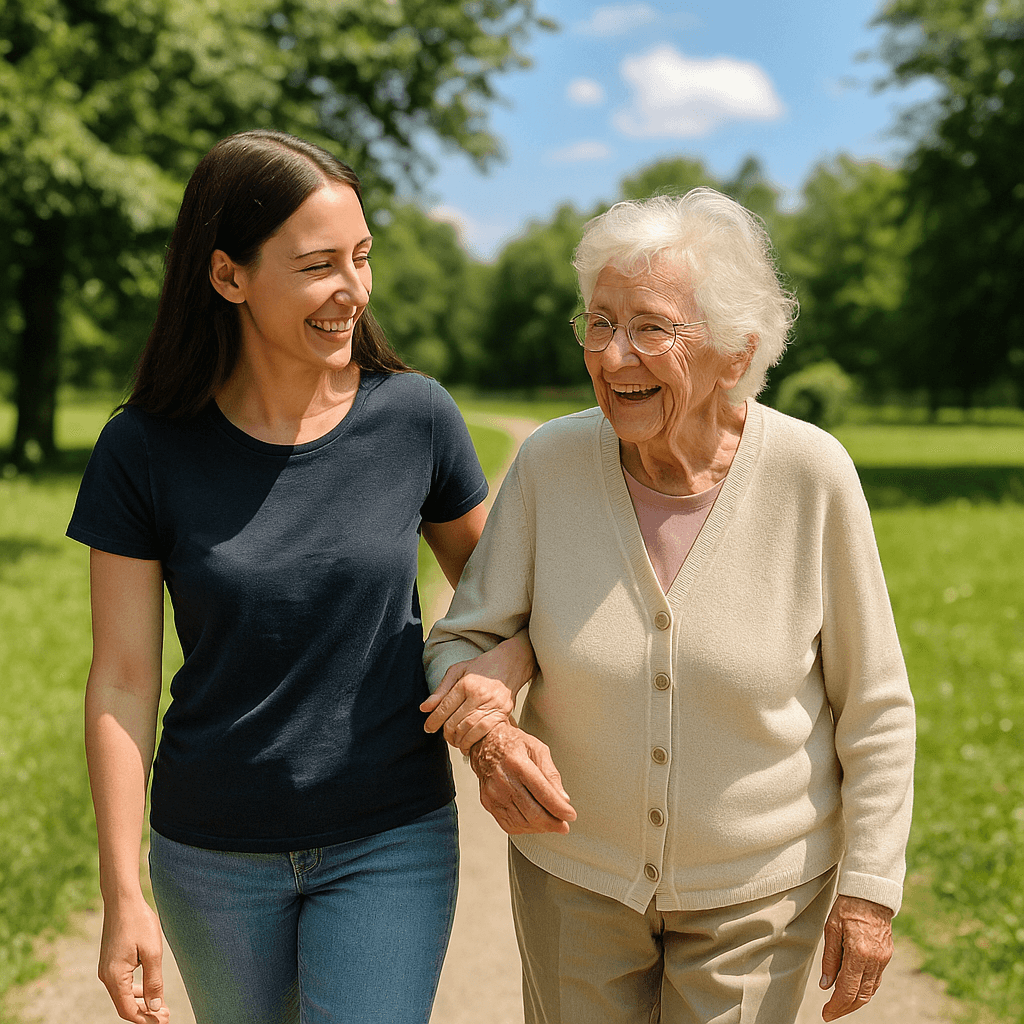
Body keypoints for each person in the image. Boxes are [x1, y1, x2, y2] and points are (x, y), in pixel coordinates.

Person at [67, 129, 532, 1024]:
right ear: (227, 275)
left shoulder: (416, 419)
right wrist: (122, 892)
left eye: (362, 257)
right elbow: (121, 678)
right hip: (209, 854)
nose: (352, 290)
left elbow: (500, 601)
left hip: (390, 834)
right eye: (318, 265)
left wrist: (497, 691)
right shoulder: (143, 450)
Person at [422, 189, 916, 1024]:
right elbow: (462, 640)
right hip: (573, 877)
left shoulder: (811, 474)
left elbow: (875, 706)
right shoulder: (550, 464)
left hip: (758, 894)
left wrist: (868, 891)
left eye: (651, 328)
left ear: (735, 349)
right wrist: (488, 728)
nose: (616, 358)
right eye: (599, 324)